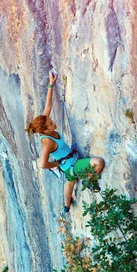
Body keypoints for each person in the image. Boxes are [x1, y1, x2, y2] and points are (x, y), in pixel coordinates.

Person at [26, 72, 105, 213]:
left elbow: (48, 105)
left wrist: (51, 83)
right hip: (72, 166)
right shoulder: (47, 142)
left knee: (69, 184)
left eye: (50, 121)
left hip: (68, 167)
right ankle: (89, 181)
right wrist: (56, 164)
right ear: (44, 131)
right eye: (50, 124)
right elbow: (43, 164)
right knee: (98, 163)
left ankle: (66, 206)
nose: (53, 123)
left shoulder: (45, 128)